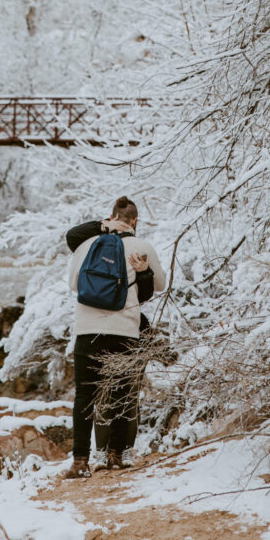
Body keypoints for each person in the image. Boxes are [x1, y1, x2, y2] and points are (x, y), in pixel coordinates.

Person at [64, 195, 166, 478]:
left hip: (87, 329)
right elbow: (161, 284)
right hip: (125, 329)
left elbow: (74, 284)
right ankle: (114, 457)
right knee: (122, 394)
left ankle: (80, 461)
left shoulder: (87, 245)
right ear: (135, 221)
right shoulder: (142, 247)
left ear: (111, 218)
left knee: (85, 395)